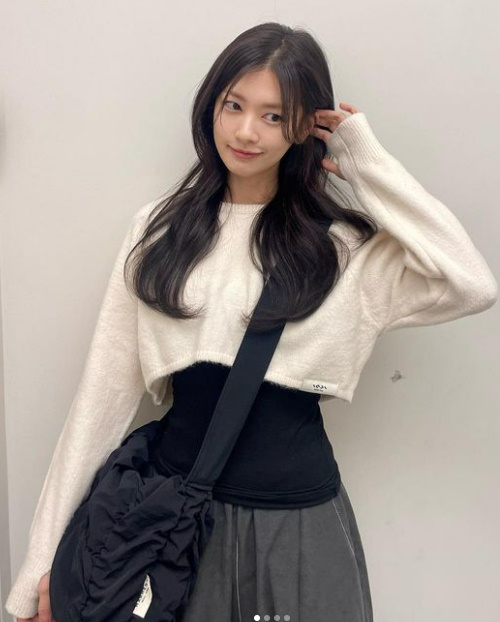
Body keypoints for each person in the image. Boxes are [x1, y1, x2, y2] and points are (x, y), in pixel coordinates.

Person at [6, 21, 497, 622]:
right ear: (210, 105)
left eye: (274, 115)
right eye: (233, 105)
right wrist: (36, 574)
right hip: (173, 530)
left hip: (300, 531)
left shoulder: (342, 250)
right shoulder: (159, 232)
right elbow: (100, 402)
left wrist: (363, 161)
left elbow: (471, 283)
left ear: (305, 125)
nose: (245, 132)